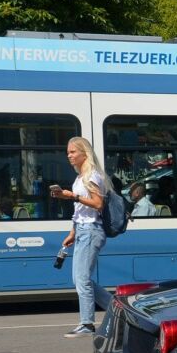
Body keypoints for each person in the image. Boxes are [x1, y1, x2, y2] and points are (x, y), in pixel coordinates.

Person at [52, 136, 112, 338]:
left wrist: (72, 196)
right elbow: (80, 211)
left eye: (73, 152)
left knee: (82, 279)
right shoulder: (80, 177)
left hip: (92, 230)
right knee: (79, 279)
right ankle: (117, 310)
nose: (69, 156)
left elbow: (97, 204)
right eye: (68, 152)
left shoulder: (92, 176)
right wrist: (72, 232)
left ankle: (87, 323)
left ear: (84, 153)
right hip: (83, 230)